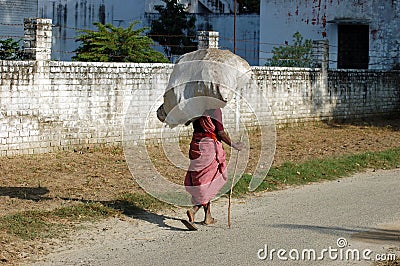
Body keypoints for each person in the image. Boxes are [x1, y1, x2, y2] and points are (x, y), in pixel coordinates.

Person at [181, 108, 243, 230]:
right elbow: (220, 133)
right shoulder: (214, 110)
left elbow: (188, 121)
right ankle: (194, 210)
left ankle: (208, 217)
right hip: (208, 148)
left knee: (203, 182)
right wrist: (235, 145)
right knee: (209, 182)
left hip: (196, 146)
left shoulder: (197, 107)